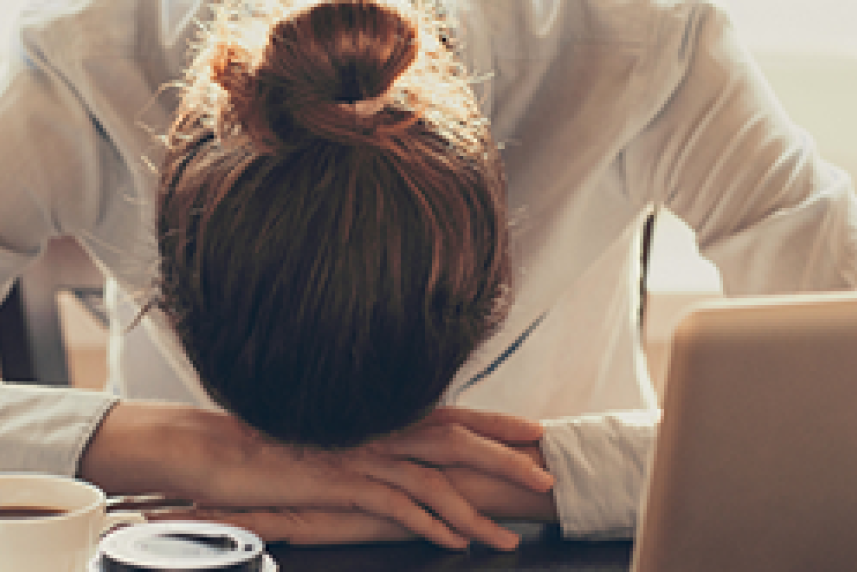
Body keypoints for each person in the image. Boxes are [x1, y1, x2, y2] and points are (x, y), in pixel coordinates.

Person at [1, 0, 854, 546]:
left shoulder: (647, 45)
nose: (350, 466)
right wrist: (190, 449)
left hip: (545, 540)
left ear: (495, 257)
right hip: (186, 535)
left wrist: (548, 475)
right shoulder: (81, 64)